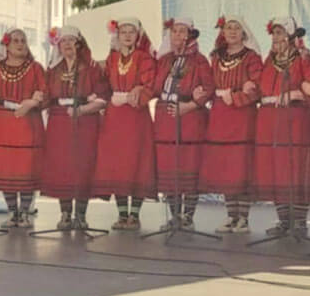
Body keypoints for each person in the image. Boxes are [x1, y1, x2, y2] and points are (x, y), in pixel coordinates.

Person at [254, 17, 310, 237]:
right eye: (274, 33)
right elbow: (261, 87)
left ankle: (300, 222)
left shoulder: (303, 59)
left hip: (295, 120)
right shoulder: (269, 60)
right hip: (270, 121)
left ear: (291, 36)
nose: (275, 38)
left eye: (280, 33)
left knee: (296, 169)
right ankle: (284, 221)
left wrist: (295, 93)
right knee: (277, 170)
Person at [41, 26, 108, 230]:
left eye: (71, 40)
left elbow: (103, 97)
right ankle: (64, 214)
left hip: (85, 122)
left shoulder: (91, 68)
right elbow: (44, 96)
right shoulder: (53, 70)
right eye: (64, 41)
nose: (67, 44)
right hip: (59, 121)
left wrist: (83, 110)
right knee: (62, 166)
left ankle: (80, 214)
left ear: (79, 44)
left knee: (83, 166)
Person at [92, 18, 157, 230]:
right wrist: (102, 98)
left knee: (137, 161)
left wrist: (138, 92)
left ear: (138, 36)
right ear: (117, 36)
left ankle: (135, 215)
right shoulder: (112, 59)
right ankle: (122, 214)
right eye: (123, 32)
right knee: (117, 163)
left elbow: (150, 84)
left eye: (131, 32)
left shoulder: (144, 58)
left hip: (136, 116)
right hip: (115, 117)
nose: (127, 36)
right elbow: (103, 84)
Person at [201, 16, 263, 233]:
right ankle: (231, 215)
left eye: (237, 28)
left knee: (241, 165)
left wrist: (236, 96)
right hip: (220, 115)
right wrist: (201, 91)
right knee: (226, 166)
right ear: (223, 32)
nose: (233, 32)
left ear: (244, 33)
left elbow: (256, 88)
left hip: (242, 116)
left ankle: (243, 217)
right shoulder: (216, 57)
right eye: (229, 28)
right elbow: (209, 83)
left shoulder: (252, 57)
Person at [0, 29, 47, 229]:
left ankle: (26, 213)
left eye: (23, 40)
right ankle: (13, 213)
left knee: (26, 168)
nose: (20, 44)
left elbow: (45, 92)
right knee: (7, 169)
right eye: (16, 41)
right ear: (7, 46)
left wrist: (33, 102)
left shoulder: (36, 68)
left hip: (28, 122)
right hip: (3, 122)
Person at [153, 18, 212, 229]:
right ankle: (174, 215)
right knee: (170, 168)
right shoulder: (165, 60)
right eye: (174, 31)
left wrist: (190, 105)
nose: (177, 35)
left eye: (182, 31)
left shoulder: (200, 61)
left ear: (190, 35)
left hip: (190, 118)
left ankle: (188, 216)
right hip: (166, 118)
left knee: (189, 166)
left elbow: (208, 88)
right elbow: (154, 86)